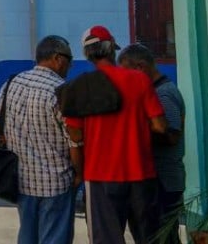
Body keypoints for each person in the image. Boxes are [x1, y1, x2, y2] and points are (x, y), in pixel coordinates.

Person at [65, 26, 167, 244]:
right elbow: (160, 126)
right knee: (150, 238)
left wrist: (79, 171)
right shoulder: (139, 80)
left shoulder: (80, 86)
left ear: (87, 55)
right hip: (141, 173)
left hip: (100, 176)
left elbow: (74, 133)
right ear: (111, 49)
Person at [0, 36, 80, 244]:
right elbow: (74, 140)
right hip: (57, 183)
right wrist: (79, 173)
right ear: (58, 59)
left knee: (27, 236)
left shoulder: (11, 84)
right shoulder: (62, 91)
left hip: (22, 180)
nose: (70, 66)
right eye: (70, 60)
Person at [117, 43, 185, 244]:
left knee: (163, 236)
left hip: (165, 179)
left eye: (127, 73)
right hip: (156, 178)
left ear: (140, 67)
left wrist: (137, 131)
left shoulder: (162, 94)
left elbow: (172, 136)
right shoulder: (153, 91)